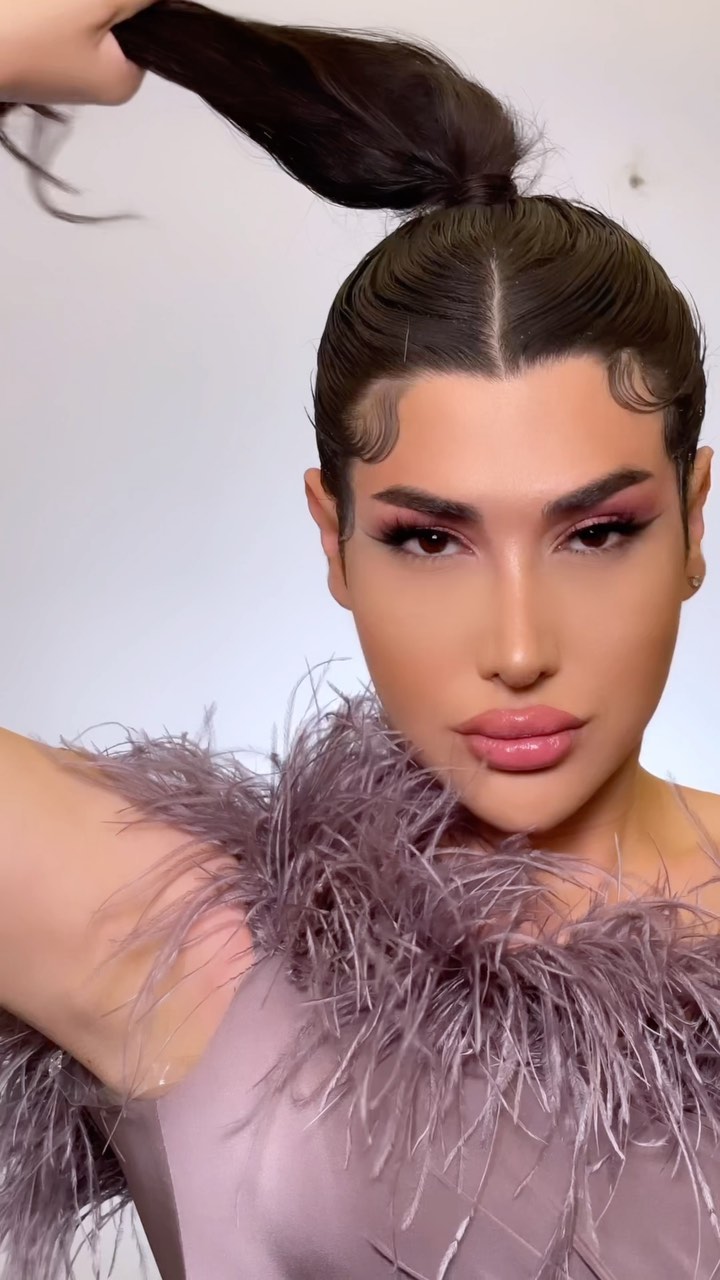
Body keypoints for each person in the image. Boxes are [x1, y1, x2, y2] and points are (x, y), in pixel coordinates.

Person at [0, 2, 718, 1278]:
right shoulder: (187, 943)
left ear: (694, 519)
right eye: (429, 539)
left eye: (596, 532)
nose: (518, 646)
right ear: (333, 539)